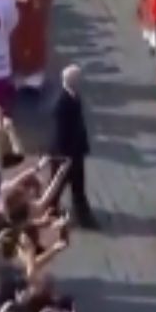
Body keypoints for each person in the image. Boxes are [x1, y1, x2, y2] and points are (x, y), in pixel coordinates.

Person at [51, 65, 97, 228]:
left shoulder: (73, 96)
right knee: (59, 185)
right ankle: (52, 210)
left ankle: (80, 213)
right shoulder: (62, 103)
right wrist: (65, 157)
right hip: (67, 154)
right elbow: (61, 133)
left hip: (75, 151)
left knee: (75, 185)